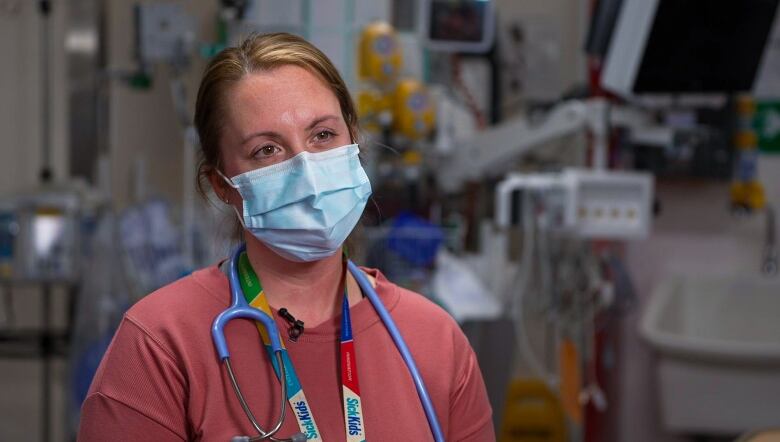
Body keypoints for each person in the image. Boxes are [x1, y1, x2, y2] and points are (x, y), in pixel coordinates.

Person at [77, 33, 494, 441]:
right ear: (222, 184)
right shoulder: (160, 345)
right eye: (267, 150)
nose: (307, 171)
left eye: (323, 136)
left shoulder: (434, 341)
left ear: (354, 140)